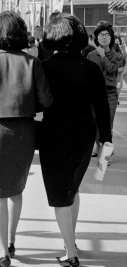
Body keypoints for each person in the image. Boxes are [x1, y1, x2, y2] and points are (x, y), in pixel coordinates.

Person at [0, 11, 53, 267]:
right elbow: (47, 101)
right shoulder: (32, 62)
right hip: (24, 131)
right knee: (16, 189)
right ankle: (12, 240)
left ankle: (1, 251)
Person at [38, 13, 111, 267]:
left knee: (59, 194)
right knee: (72, 188)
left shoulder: (45, 67)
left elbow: (36, 103)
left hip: (54, 133)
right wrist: (106, 141)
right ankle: (72, 240)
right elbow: (102, 108)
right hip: (84, 134)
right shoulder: (91, 68)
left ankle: (71, 253)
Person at [87, 22, 125, 161]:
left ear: (111, 37)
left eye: (107, 35)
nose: (104, 37)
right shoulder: (90, 55)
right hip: (94, 92)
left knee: (108, 121)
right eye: (101, 35)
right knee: (95, 120)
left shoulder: (117, 56)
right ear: (96, 37)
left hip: (110, 92)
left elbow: (111, 69)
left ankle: (106, 150)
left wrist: (103, 56)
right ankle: (98, 146)